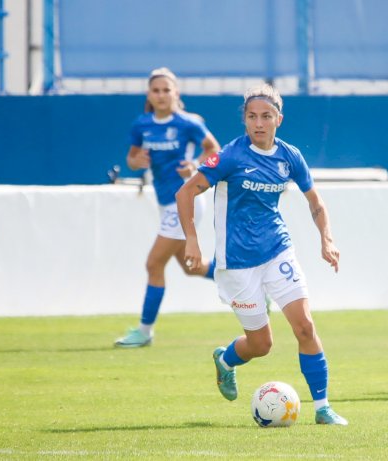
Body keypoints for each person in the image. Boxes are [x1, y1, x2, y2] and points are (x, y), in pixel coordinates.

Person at [175, 84, 348, 425]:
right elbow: (185, 194)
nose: (258, 123)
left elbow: (315, 202)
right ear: (244, 120)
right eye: (252, 116)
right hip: (236, 262)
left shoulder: (290, 156)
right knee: (261, 344)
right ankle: (225, 360)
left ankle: (323, 408)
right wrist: (192, 240)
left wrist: (327, 240)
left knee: (304, 326)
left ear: (278, 120)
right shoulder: (229, 157)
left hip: (277, 250)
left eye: (266, 116)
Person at [114, 67, 221, 348]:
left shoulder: (188, 123)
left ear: (176, 93)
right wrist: (138, 161)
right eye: (156, 90)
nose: (161, 95)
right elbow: (131, 159)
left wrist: (197, 166)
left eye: (166, 90)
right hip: (165, 203)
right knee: (191, 268)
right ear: (149, 95)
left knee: (153, 263)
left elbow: (214, 150)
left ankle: (145, 331)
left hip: (185, 201)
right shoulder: (141, 124)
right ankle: (246, 281)